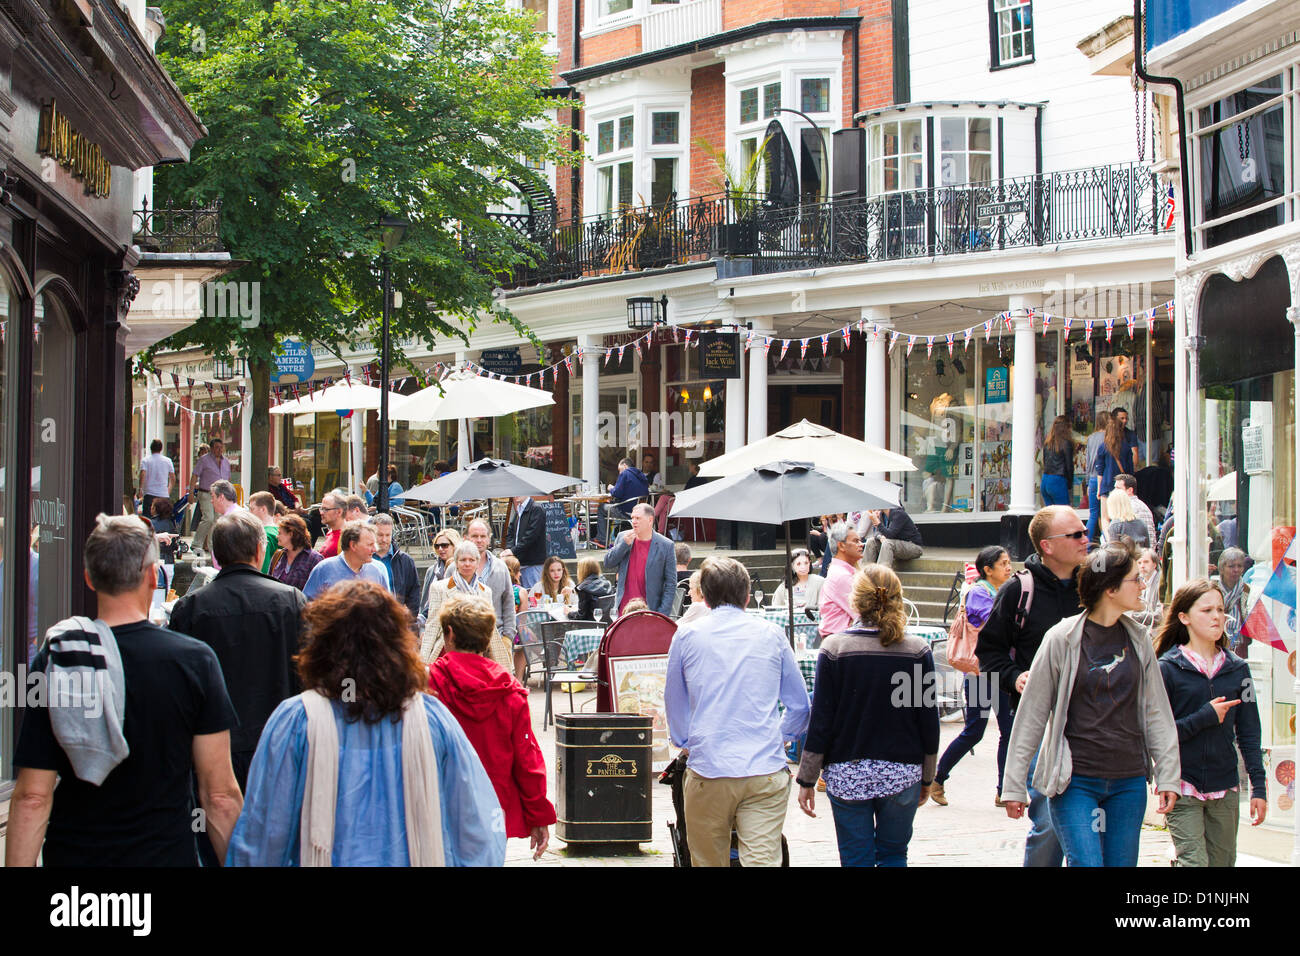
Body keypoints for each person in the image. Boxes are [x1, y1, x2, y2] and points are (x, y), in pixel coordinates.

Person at [6, 515, 242, 867]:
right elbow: (219, 795)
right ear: (151, 577)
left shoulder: (60, 659)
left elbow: (32, 798)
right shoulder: (195, 663)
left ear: (89, 578)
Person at [226, 580, 507, 866]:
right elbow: (478, 828)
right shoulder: (433, 719)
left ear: (322, 643)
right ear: (398, 643)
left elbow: (263, 839)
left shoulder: (295, 722)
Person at [1000, 543, 1181, 868]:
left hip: (1128, 781)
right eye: (1135, 579)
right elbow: (1032, 714)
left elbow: (1158, 713)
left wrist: (1167, 776)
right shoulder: (1061, 638)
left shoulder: (1139, 640)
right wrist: (1013, 785)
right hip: (1075, 781)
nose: (1143, 585)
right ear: (1110, 588)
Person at [664, 557, 811, 867]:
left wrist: (688, 741)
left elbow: (674, 704)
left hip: (709, 768)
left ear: (703, 594)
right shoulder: (772, 634)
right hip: (763, 768)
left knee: (708, 861)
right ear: (747, 596)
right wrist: (780, 737)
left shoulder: (687, 636)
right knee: (761, 860)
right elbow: (799, 705)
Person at [796, 565, 939, 866]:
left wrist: (807, 778)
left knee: (855, 858)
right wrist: (928, 775)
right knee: (894, 855)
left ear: (855, 601)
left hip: (848, 773)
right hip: (902, 772)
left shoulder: (834, 649)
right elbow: (928, 721)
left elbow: (821, 720)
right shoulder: (916, 651)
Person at [975, 504, 1089, 867]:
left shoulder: (1096, 586)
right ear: (1048, 545)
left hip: (1094, 720)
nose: (1086, 539)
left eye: (1085, 532)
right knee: (1050, 823)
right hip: (1040, 721)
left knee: (1089, 825)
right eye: (1076, 534)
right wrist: (1015, 677)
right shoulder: (1018, 590)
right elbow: (988, 653)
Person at [169, 511, 306, 792]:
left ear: (215, 553)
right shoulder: (290, 601)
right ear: (259, 550)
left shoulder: (191, 608)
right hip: (276, 742)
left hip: (213, 747)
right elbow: (309, 675)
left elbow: (179, 688)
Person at [427, 594, 556, 861]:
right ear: (487, 637)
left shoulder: (429, 684)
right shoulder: (509, 692)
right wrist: (538, 815)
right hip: (491, 806)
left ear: (449, 634)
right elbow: (527, 760)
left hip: (439, 802)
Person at [1156, 579, 1268, 867]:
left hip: (1226, 786)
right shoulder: (1167, 669)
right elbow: (1158, 735)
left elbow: (1250, 733)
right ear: (1184, 617)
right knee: (1194, 863)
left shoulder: (1238, 669)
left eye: (1220, 609)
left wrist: (1259, 787)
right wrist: (1204, 717)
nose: (1217, 616)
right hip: (1182, 785)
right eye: (1206, 610)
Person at [931, 546, 1015, 808]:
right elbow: (993, 624)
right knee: (975, 732)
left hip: (1001, 671)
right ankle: (937, 778)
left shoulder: (1003, 590)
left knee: (1009, 732)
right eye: (1003, 564)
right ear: (987, 570)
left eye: (1009, 562)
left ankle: (1005, 791)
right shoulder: (978, 591)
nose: (1008, 567)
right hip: (981, 673)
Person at [422, 541, 514, 670]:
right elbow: (432, 625)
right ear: (456, 563)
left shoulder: (485, 591)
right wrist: (423, 660)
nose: (467, 564)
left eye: (471, 560)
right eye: (463, 560)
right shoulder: (440, 588)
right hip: (447, 650)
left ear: (477, 563)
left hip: (476, 650)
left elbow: (490, 628)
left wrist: (501, 662)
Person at [603, 502, 676, 616]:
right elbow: (608, 563)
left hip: (650, 610)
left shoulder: (666, 545)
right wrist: (623, 545)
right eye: (632, 518)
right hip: (623, 610)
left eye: (638, 518)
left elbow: (671, 584)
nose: (634, 521)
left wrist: (662, 614)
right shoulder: (623, 537)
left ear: (650, 520)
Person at [464, 518, 517, 653]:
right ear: (466, 538)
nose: (479, 540)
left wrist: (508, 636)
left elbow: (508, 602)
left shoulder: (500, 567)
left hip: (496, 637)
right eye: (474, 536)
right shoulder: (454, 569)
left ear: (489, 539)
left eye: (483, 536)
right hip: (463, 640)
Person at [302, 521, 387, 600]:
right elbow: (308, 606)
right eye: (370, 544)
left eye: (374, 544)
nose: (375, 549)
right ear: (353, 545)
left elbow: (386, 608)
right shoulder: (324, 569)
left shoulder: (378, 570)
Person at [818, 521, 863, 640]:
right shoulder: (841, 575)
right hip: (840, 642)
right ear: (841, 545)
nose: (861, 544)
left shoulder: (843, 572)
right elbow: (864, 613)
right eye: (855, 541)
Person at [373, 513, 419, 625]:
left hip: (397, 623)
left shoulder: (405, 560)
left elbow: (414, 593)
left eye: (387, 535)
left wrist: (409, 617)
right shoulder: (364, 558)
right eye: (380, 535)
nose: (384, 539)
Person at [1093, 416, 1134, 541]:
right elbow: (1130, 470)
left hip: (1106, 485)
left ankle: (1110, 541)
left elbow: (1100, 470)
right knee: (1121, 514)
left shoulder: (1103, 447)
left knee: (1105, 517)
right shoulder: (1126, 447)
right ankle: (1120, 539)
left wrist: (1099, 489)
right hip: (1122, 487)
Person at [190, 438, 232, 555]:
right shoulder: (204, 460)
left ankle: (211, 545)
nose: (219, 450)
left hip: (221, 495)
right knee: (208, 518)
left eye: (221, 447)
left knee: (217, 520)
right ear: (212, 448)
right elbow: (194, 476)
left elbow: (228, 479)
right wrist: (191, 492)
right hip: (206, 493)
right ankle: (196, 543)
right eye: (217, 447)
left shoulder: (226, 462)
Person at [594, 457, 648, 547]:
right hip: (638, 510)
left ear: (625, 466)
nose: (619, 473)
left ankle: (602, 540)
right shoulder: (641, 475)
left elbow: (617, 493)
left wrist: (611, 488)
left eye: (620, 470)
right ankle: (606, 538)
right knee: (608, 507)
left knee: (601, 508)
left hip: (624, 510)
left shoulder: (625, 474)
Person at [419, 528, 463, 622]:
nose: (440, 549)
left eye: (444, 545)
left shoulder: (463, 569)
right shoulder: (432, 570)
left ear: (455, 545)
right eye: (437, 546)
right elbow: (425, 599)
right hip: (431, 619)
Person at [270, 513, 324, 591]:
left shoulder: (314, 559)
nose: (277, 536)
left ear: (291, 534)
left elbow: (320, 590)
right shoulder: (278, 556)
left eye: (280, 533)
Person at [859, 506, 924, 569]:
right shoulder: (882, 514)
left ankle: (881, 575)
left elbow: (890, 534)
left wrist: (878, 523)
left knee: (887, 543)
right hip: (895, 546)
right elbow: (876, 533)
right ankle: (864, 574)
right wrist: (880, 537)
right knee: (871, 541)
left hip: (913, 547)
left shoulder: (898, 514)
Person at [1214, 547, 1251, 656]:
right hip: (1217, 643)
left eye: (1239, 566)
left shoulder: (1247, 590)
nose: (1236, 570)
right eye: (1231, 566)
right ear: (1221, 568)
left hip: (1241, 646)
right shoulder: (1213, 589)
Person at [505, 495, 547, 589]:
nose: (515, 495)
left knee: (533, 596)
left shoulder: (536, 509)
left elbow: (531, 535)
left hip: (532, 563)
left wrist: (513, 551)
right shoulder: (519, 509)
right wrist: (510, 549)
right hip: (519, 563)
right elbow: (511, 531)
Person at [1084, 411, 1111, 545]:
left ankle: (1087, 543)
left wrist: (1088, 482)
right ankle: (1105, 541)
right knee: (1107, 514)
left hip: (1093, 478)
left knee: (1093, 513)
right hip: (1104, 478)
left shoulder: (1091, 438)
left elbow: (1088, 461)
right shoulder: (1109, 437)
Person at [1113, 473, 1157, 546]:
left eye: (1118, 488)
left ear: (1130, 490)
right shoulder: (1140, 505)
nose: (1114, 491)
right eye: (1114, 488)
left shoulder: (1130, 507)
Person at [1040, 415, 1074, 507]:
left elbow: (1044, 461)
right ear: (1066, 428)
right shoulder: (1066, 443)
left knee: (1051, 515)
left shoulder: (1048, 443)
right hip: (1057, 480)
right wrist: (1070, 483)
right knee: (1063, 513)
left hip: (1045, 479)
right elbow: (1069, 466)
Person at [138, 438, 176, 518]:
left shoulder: (145, 460)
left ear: (151, 448)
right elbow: (172, 478)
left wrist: (140, 489)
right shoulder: (168, 461)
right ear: (161, 449)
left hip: (149, 494)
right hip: (163, 495)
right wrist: (168, 490)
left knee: (148, 519)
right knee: (163, 518)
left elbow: (142, 475)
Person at [570, 556, 614, 621]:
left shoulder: (584, 589)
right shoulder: (607, 584)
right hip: (608, 624)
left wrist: (569, 613)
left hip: (590, 626)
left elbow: (581, 616)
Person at [247, 491, 281, 574]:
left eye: (252, 509)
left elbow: (262, 571)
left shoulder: (264, 536)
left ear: (263, 509)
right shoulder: (279, 531)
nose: (249, 513)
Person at [315, 491, 346, 558]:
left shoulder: (346, 538)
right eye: (321, 509)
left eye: (326, 509)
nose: (321, 513)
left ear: (339, 512)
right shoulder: (331, 532)